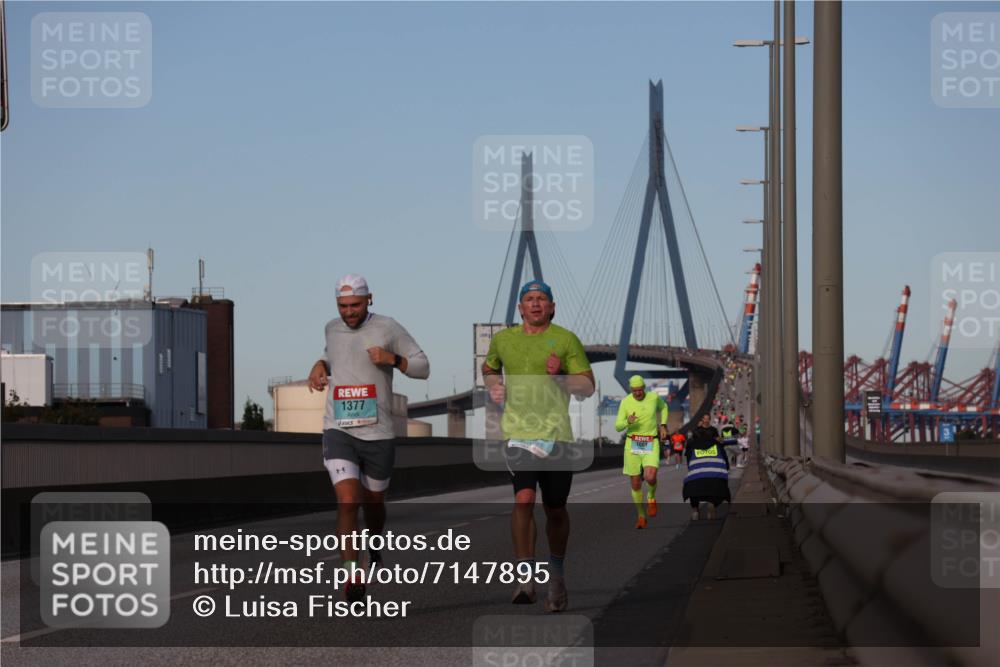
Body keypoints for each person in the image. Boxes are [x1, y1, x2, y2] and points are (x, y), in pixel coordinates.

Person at [307, 274, 430, 602]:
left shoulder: (388, 328)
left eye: (355, 305)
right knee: (348, 501)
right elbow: (331, 357)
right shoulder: (331, 328)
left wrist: (394, 360)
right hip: (339, 430)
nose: (349, 312)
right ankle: (352, 575)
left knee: (374, 505)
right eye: (343, 306)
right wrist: (319, 366)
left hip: (378, 434)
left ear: (369, 299)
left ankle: (374, 545)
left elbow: (423, 366)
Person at [482, 280, 595, 612]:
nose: (535, 304)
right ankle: (525, 578)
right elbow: (489, 367)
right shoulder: (503, 340)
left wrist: (561, 374)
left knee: (555, 509)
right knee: (524, 499)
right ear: (520, 308)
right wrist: (493, 386)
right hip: (518, 433)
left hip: (557, 435)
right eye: (529, 299)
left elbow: (587, 386)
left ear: (552, 307)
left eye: (541, 299)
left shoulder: (565, 339)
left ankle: (556, 576)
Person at [614, 375, 669, 529]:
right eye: (634, 390)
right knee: (636, 483)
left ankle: (651, 497)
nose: (638, 393)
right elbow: (617, 426)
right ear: (631, 390)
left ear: (644, 388)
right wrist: (627, 422)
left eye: (640, 390)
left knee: (650, 476)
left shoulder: (653, 398)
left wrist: (663, 425)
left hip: (651, 441)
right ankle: (641, 515)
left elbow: (664, 407)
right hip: (632, 443)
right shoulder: (625, 402)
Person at [682, 425, 731, 521]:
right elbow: (726, 464)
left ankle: (695, 510)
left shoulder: (692, 446)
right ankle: (712, 503)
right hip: (717, 480)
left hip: (694, 483)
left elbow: (689, 466)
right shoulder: (717, 445)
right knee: (720, 488)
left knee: (692, 484)